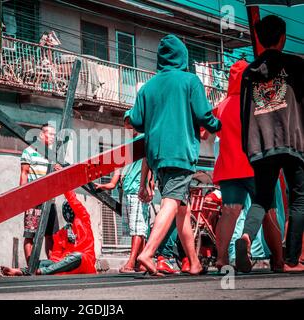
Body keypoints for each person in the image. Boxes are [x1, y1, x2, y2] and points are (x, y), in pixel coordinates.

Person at [125, 34, 222, 276]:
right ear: (183, 57)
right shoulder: (190, 81)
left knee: (182, 209)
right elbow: (204, 116)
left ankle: (194, 262)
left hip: (157, 155)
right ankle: (148, 253)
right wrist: (221, 126)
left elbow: (136, 121)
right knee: (172, 201)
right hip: (179, 152)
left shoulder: (148, 86)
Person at [236, 15, 304, 273]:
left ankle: (246, 238)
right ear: (283, 38)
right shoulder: (296, 66)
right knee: (298, 199)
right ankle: (291, 260)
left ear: (261, 40)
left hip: (261, 143)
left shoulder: (249, 72)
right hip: (292, 140)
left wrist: (248, 145)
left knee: (262, 199)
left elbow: (245, 112)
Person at [209, 60, 284, 272]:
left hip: (228, 168)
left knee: (229, 212)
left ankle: (222, 260)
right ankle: (278, 261)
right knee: (268, 211)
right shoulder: (256, 101)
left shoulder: (221, 107)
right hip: (256, 166)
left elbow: (211, 133)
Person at [94, 130, 154, 273]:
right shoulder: (125, 148)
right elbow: (115, 179)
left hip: (138, 191)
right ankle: (140, 262)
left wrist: (148, 185)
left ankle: (131, 262)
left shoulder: (143, 140)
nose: (130, 127)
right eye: (128, 124)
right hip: (127, 192)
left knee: (138, 227)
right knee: (136, 228)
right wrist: (104, 185)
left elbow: (149, 163)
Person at [1, 189, 96, 276]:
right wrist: (51, 263)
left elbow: (73, 200)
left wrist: (65, 182)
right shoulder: (62, 232)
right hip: (67, 265)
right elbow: (56, 257)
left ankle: (41, 271)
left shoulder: (84, 220)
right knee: (43, 263)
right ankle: (23, 271)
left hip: (84, 262)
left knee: (77, 256)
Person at [20, 123, 61, 264]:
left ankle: (52, 265)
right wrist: (23, 197)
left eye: (54, 135)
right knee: (30, 234)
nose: (53, 137)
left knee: (51, 235)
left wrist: (58, 170)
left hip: (50, 200)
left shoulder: (53, 155)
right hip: (33, 200)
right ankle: (30, 267)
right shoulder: (28, 152)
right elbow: (24, 174)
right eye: (50, 134)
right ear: (41, 135)